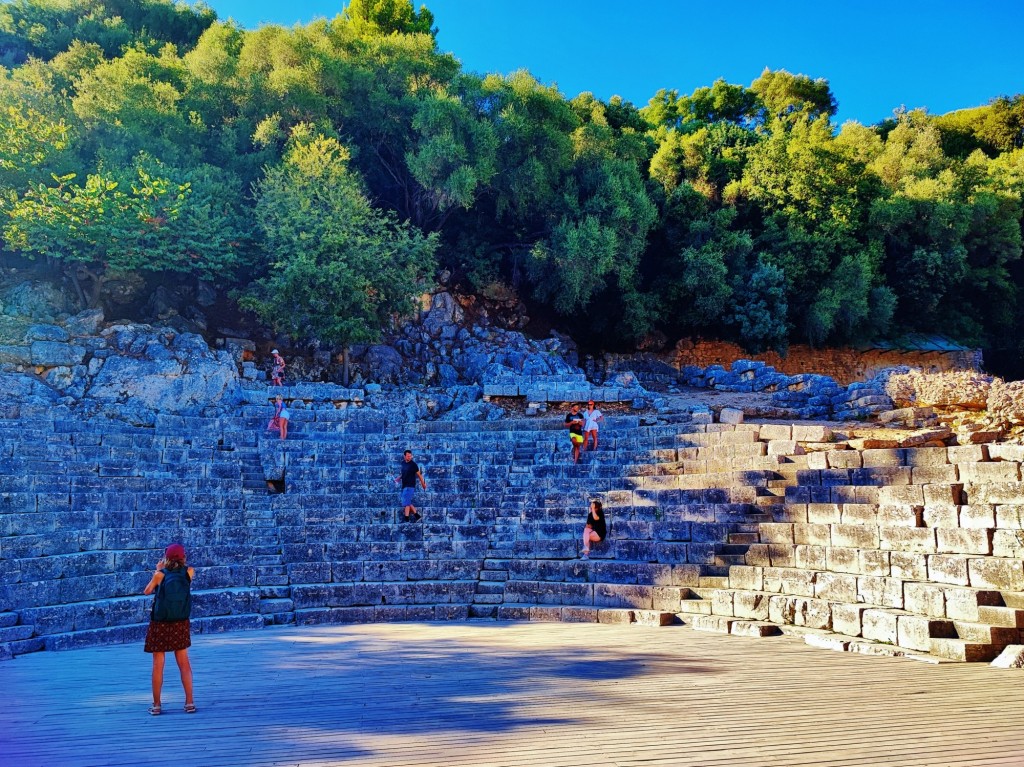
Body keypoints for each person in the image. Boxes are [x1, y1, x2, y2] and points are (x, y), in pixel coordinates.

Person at [143, 543, 196, 715]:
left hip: (161, 623)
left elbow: (147, 591)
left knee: (158, 664)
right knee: (184, 664)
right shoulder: (189, 572)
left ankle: (157, 705)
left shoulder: (160, 574)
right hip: (180, 621)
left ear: (166, 558)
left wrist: (157, 571)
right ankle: (189, 703)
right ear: (183, 557)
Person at [395, 449, 426, 522]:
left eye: (410, 456)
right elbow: (404, 473)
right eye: (408, 456)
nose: (409, 457)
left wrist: (423, 484)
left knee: (406, 503)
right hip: (404, 485)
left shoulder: (413, 465)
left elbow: (419, 475)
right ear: (404, 456)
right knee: (407, 501)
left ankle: (406, 519)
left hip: (410, 485)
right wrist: (398, 478)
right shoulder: (403, 463)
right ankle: (417, 516)